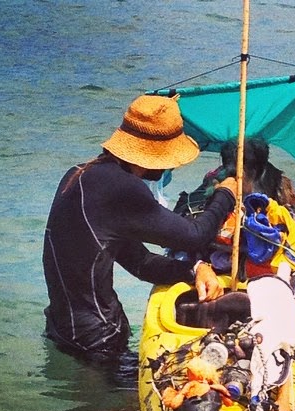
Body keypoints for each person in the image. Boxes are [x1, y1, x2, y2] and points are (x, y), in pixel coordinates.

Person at [42, 94, 237, 362]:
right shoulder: (123, 188)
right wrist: (226, 195)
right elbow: (194, 236)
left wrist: (194, 269)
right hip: (98, 340)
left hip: (62, 329)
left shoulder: (80, 175)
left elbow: (139, 263)